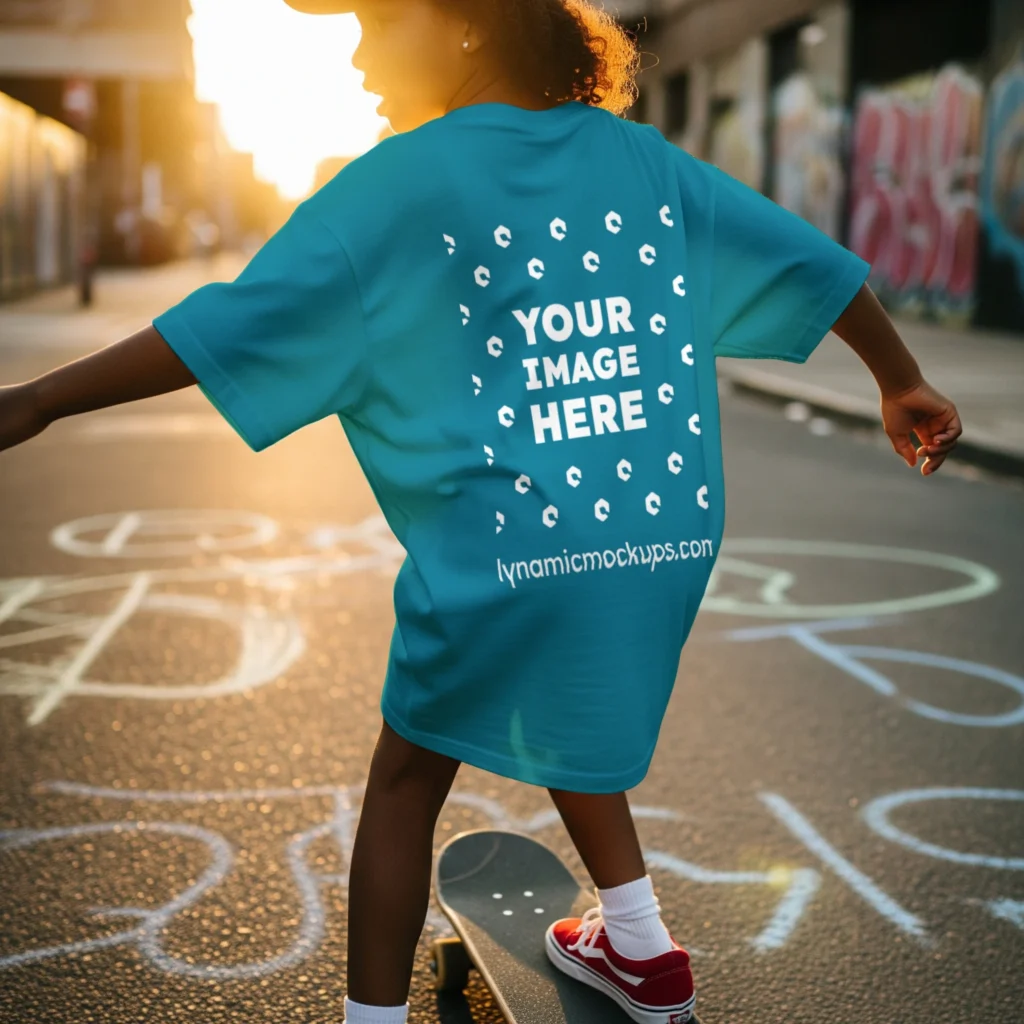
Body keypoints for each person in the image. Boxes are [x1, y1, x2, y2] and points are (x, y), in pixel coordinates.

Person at [0, 1, 963, 1022]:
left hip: (511, 549)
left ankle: (370, 1019)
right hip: (656, 532)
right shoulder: (641, 161)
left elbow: (227, 327)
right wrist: (899, 380)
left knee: (407, 778)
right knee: (559, 696)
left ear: (464, 27)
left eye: (376, 25)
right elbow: (810, 265)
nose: (360, 55)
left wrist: (42, 397)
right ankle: (638, 947)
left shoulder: (397, 181)